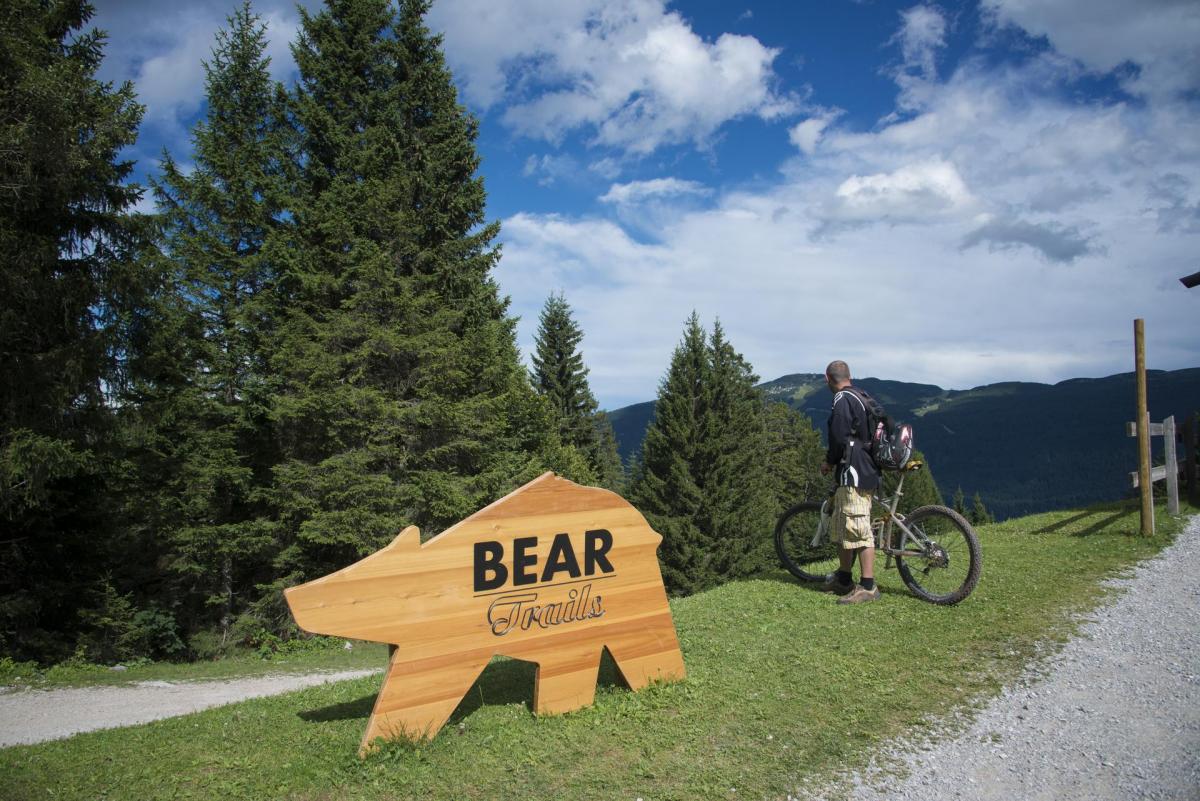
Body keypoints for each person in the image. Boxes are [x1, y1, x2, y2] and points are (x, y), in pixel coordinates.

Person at [819, 360, 881, 604]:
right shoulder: (861, 395)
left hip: (853, 471)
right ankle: (844, 578)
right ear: (849, 376)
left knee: (858, 527)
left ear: (828, 379)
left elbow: (839, 437)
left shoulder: (842, 399)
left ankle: (868, 586)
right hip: (866, 467)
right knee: (844, 524)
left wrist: (829, 461)